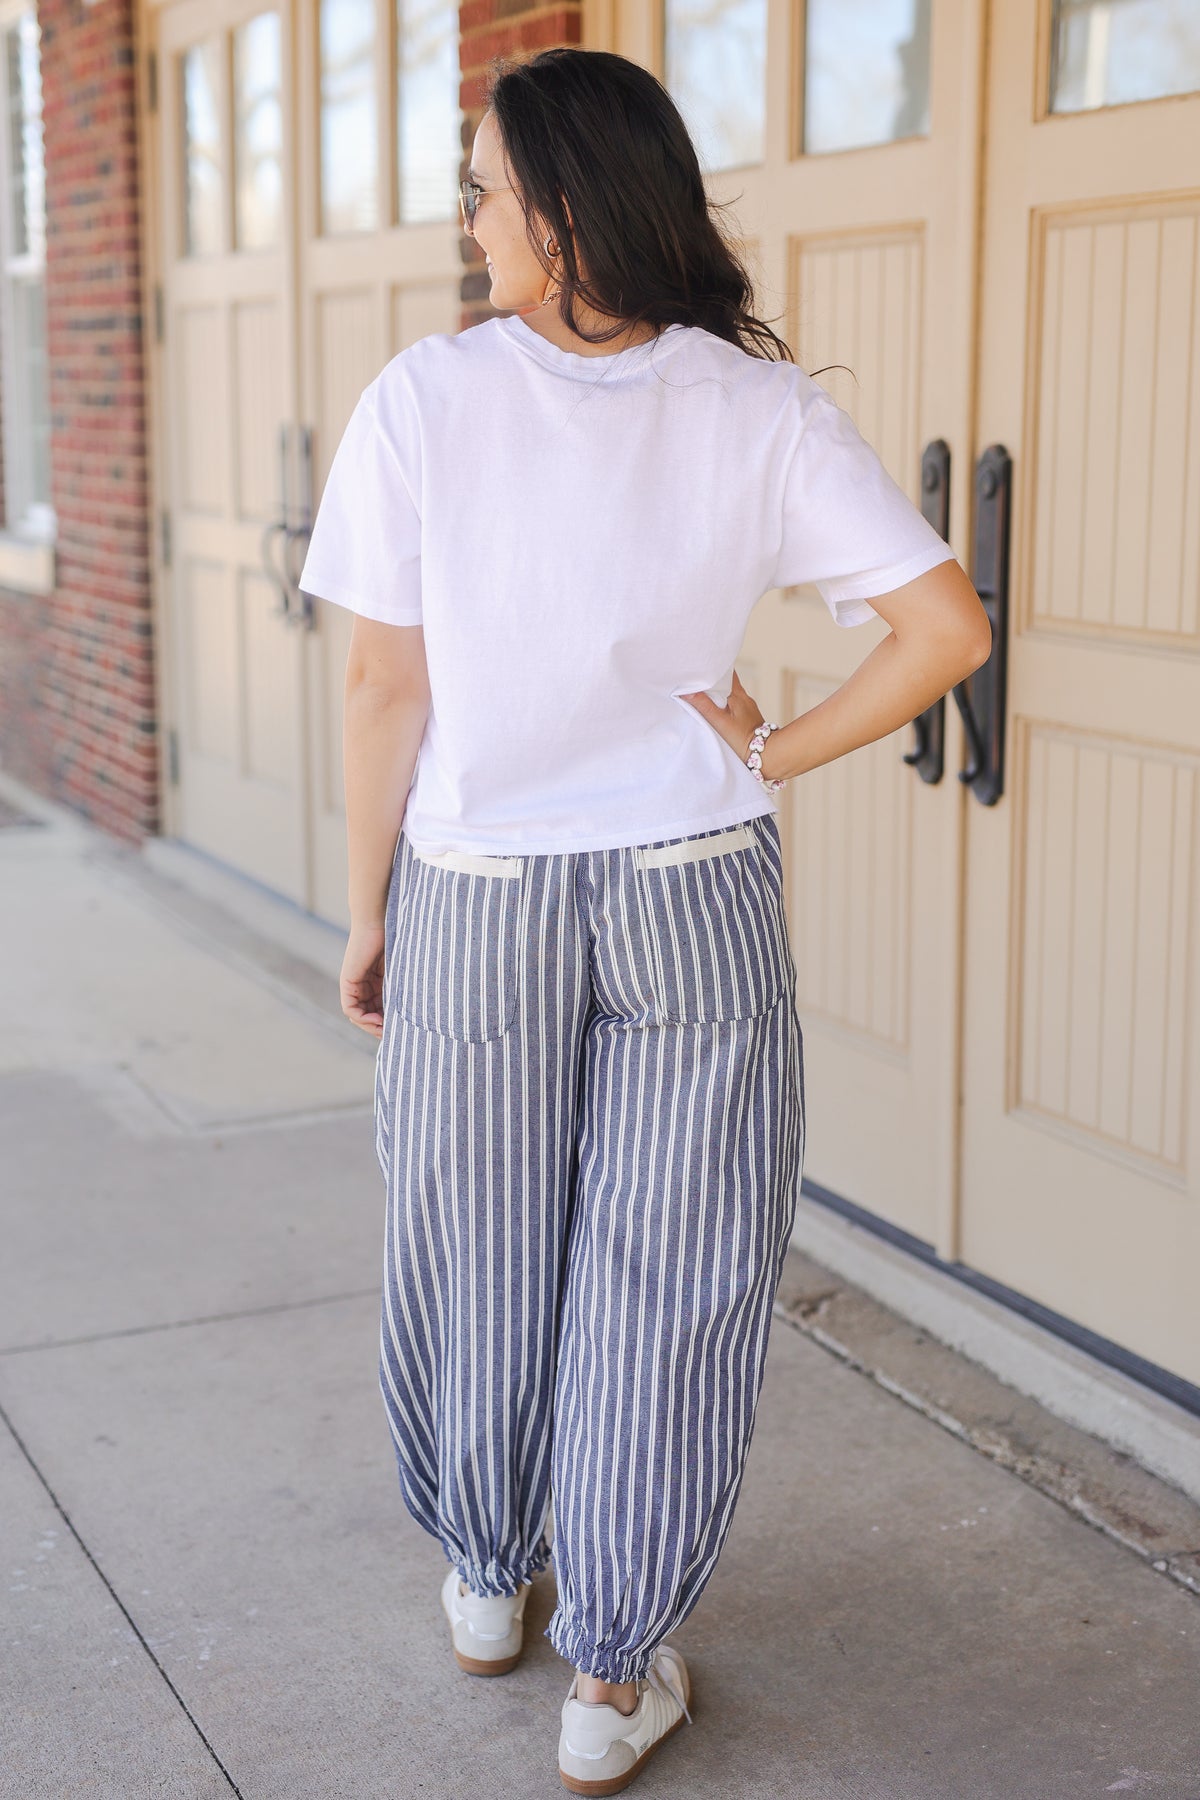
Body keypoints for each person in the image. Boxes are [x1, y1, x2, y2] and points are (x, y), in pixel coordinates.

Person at [298, 44, 990, 1796]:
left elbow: (385, 687)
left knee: (473, 1238)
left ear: (568, 200)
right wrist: (778, 750)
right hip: (694, 890)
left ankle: (484, 1571)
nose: (466, 222)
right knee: (669, 1280)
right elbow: (945, 630)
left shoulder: (424, 400)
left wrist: (368, 910)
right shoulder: (756, 410)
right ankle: (610, 1670)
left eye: (482, 189)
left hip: (474, 888)